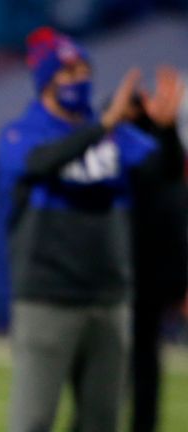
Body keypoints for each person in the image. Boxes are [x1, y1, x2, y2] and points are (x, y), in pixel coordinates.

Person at [0, 27, 157, 432]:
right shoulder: (25, 131)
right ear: (46, 78)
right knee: (32, 420)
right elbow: (34, 164)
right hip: (47, 297)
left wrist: (167, 132)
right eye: (67, 71)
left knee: (101, 422)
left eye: (83, 69)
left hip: (110, 297)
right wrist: (102, 126)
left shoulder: (116, 133)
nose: (78, 79)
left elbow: (163, 173)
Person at [126, 66, 187, 432]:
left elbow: (163, 171)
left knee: (143, 362)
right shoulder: (117, 151)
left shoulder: (158, 154)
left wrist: (164, 126)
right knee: (112, 366)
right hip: (116, 276)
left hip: (142, 277)